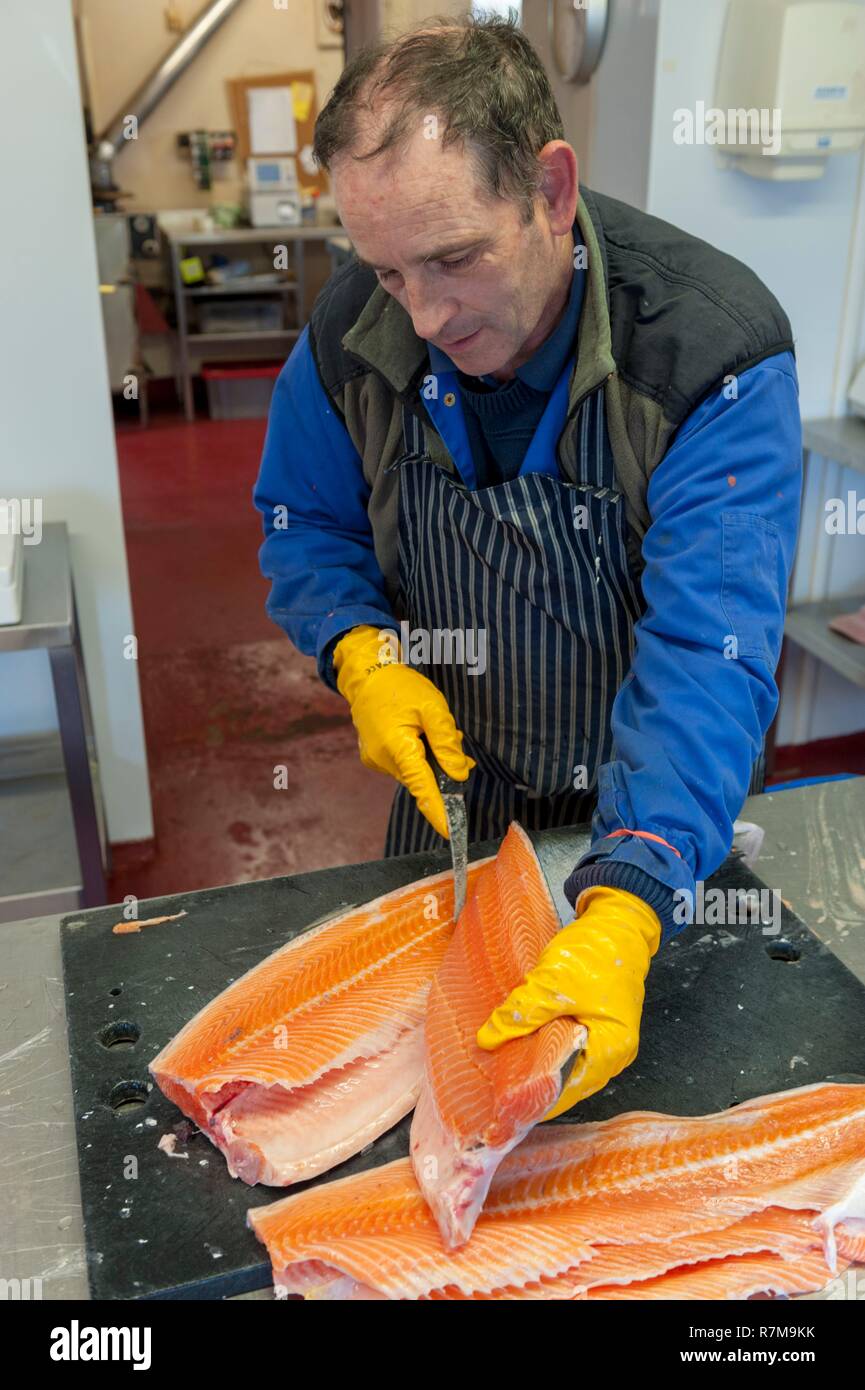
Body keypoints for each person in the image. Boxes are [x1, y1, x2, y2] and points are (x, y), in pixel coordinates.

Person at [253, 14, 801, 1117]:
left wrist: (630, 902)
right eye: (387, 270)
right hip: (456, 802)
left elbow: (706, 651)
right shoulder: (352, 332)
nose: (423, 315)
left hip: (659, 812)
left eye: (454, 259)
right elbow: (306, 523)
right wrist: (360, 652)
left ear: (551, 190)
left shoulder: (709, 352)